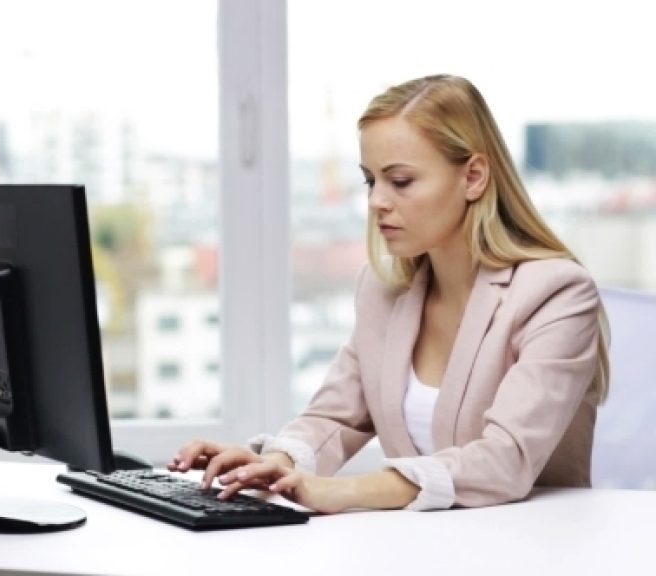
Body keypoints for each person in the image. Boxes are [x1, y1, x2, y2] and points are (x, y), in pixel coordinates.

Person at [169, 74, 609, 513]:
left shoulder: (555, 294)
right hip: (415, 548)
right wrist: (274, 465)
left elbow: (505, 460)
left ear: (473, 176)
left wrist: (341, 491)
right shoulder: (384, 291)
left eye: (400, 181)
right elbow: (335, 417)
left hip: (531, 548)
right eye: (370, 181)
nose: (378, 201)